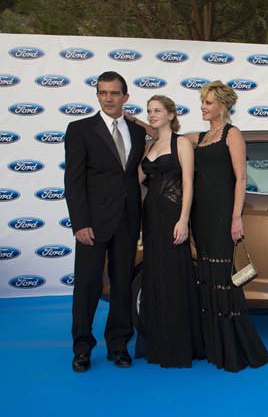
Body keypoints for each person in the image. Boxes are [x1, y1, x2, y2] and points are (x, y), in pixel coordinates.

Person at [185, 80, 268, 372]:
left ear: (223, 105)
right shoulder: (198, 137)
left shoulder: (232, 134)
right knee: (205, 276)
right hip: (199, 216)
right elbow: (166, 138)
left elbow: (241, 179)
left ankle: (231, 349)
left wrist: (236, 217)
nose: (203, 107)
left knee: (224, 277)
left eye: (208, 102)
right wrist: (134, 120)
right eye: (203, 102)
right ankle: (212, 345)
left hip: (222, 215)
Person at [64, 71, 146, 372]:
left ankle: (119, 344)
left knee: (123, 285)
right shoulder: (80, 129)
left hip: (126, 222)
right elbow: (73, 181)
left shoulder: (137, 133)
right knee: (87, 286)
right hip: (92, 225)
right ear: (97, 95)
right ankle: (82, 348)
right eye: (102, 92)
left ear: (126, 96)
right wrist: (80, 223)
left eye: (114, 93)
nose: (108, 98)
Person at [134, 95, 203, 367]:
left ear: (171, 115)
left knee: (174, 277)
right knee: (155, 277)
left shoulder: (182, 143)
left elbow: (188, 183)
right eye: (149, 110)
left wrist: (184, 219)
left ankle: (178, 345)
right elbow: (136, 180)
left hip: (174, 217)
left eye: (158, 110)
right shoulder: (149, 146)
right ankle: (159, 342)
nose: (152, 114)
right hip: (151, 219)